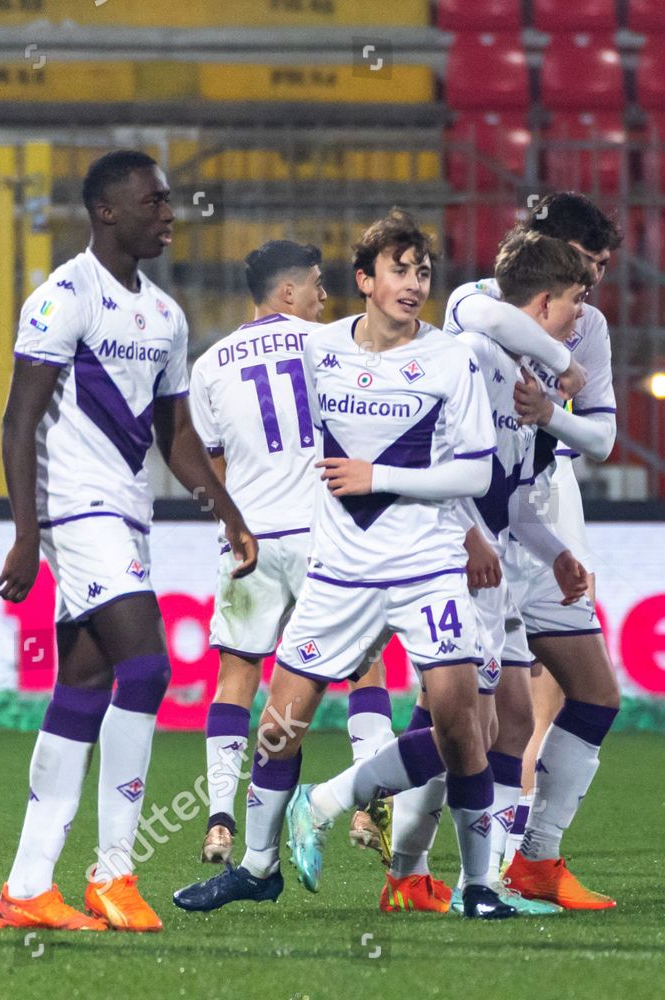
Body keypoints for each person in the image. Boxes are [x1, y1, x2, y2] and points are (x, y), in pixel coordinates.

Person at [173, 209, 571, 920]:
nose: (414, 283)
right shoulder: (319, 348)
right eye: (399, 269)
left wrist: (377, 475)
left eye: (422, 272)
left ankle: (479, 887)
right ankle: (259, 867)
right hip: (338, 573)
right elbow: (235, 381)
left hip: (426, 570)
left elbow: (474, 474)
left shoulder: (449, 357)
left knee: (458, 727)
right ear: (364, 279)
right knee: (278, 726)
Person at [0, 150, 257, 933]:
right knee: (146, 669)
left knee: (81, 688)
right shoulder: (62, 298)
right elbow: (19, 419)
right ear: (107, 211)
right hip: (78, 512)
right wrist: (24, 534)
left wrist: (228, 512)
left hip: (126, 511)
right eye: (154, 201)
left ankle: (28, 887)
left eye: (170, 200)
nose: (169, 213)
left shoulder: (167, 316)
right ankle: (114, 872)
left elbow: (175, 436)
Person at [383, 231, 592, 915]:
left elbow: (510, 493)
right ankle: (338, 804)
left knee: (502, 722)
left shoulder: (522, 383)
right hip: (453, 560)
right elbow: (425, 461)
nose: (581, 318)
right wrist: (473, 534)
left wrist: (555, 551)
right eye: (573, 303)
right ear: (538, 305)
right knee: (466, 731)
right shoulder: (468, 349)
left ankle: (435, 876)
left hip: (497, 568)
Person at [442, 193, 625, 907]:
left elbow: (603, 439)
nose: (596, 286)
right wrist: (560, 365)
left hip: (536, 505)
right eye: (588, 267)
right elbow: (486, 318)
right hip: (471, 521)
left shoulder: (592, 324)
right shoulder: (474, 303)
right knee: (471, 712)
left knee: (593, 693)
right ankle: (377, 824)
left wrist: (553, 411)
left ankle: (534, 859)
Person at [188, 239, 396, 866]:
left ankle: (221, 818)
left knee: (237, 676)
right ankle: (368, 800)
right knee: (364, 667)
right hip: (326, 539)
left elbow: (212, 467)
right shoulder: (336, 343)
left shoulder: (210, 364)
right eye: (315, 285)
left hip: (250, 539)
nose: (324, 295)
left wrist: (236, 527)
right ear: (287, 293)